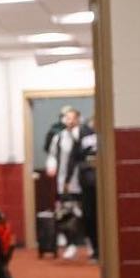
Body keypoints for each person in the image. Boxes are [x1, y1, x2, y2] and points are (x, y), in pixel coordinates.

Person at [46, 108, 97, 259]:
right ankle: (71, 244)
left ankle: (90, 243)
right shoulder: (59, 137)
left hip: (84, 180)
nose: (68, 121)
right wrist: (51, 166)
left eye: (71, 118)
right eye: (66, 118)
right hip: (65, 182)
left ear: (78, 118)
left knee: (87, 213)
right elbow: (52, 155)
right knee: (67, 214)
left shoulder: (85, 134)